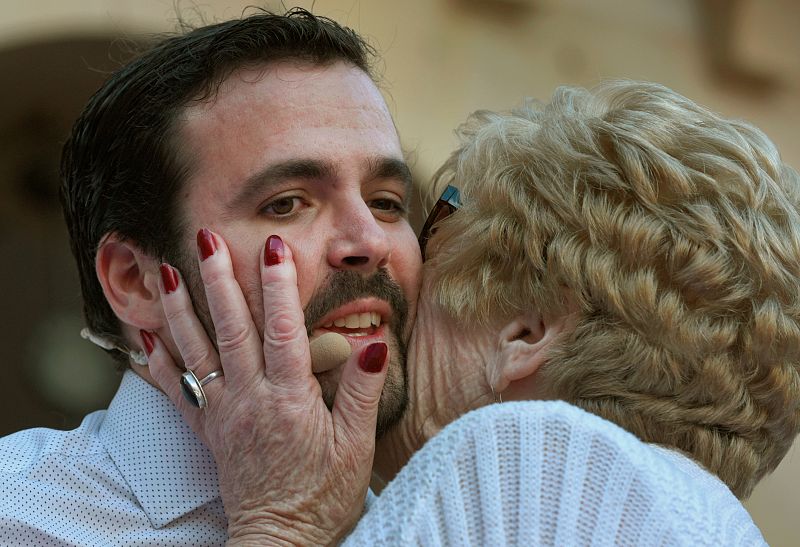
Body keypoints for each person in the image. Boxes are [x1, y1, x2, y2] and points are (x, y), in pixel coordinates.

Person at [149, 80, 800, 544]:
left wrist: (278, 522)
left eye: (434, 221)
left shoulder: (524, 460)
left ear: (525, 331)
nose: (383, 255)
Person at [0, 8, 422, 545]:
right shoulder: (17, 515)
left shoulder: (449, 512)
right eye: (287, 204)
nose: (371, 241)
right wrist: (281, 529)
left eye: (386, 202)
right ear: (136, 281)